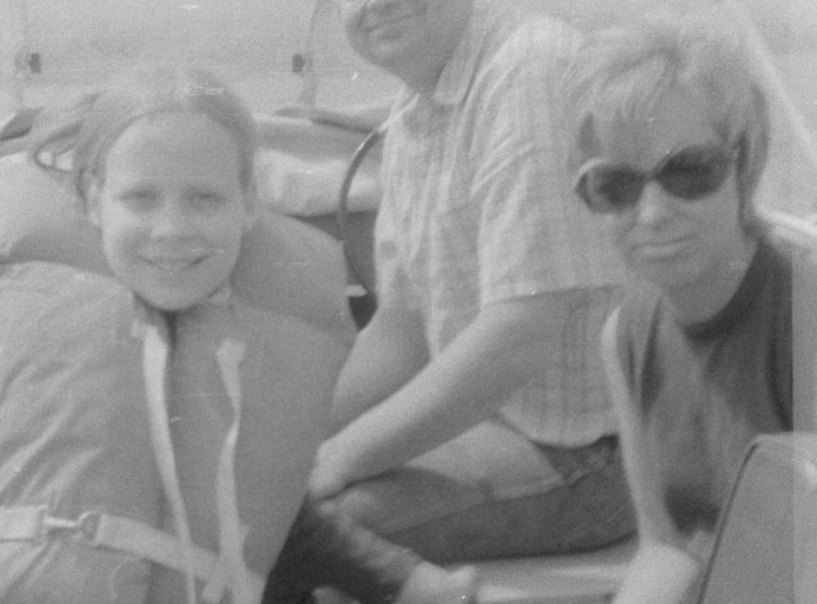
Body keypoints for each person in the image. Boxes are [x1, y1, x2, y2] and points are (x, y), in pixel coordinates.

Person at [0, 67, 476, 603]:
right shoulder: (6, 304)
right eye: (141, 198)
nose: (172, 230)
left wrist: (399, 579)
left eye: (204, 198)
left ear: (247, 204)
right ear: (92, 200)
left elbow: (265, 506)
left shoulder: (258, 334)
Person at [309, 0, 635, 563]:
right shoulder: (415, 108)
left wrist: (338, 456)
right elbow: (401, 330)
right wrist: (289, 443)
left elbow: (519, 339)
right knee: (258, 496)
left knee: (292, 532)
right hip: (483, 422)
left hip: (587, 458)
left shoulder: (533, 69)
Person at [564, 13, 791, 602]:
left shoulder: (802, 315)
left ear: (745, 166)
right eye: (615, 185)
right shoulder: (625, 336)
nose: (652, 213)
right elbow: (666, 546)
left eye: (690, 172)